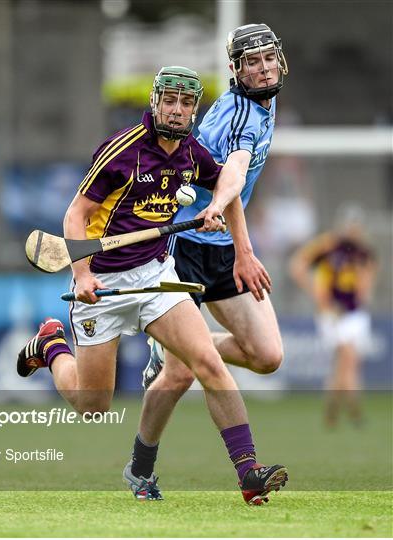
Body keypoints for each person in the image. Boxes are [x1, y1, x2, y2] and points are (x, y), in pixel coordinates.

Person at [16, 66, 288, 505]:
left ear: (193, 110)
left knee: (207, 363)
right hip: (102, 282)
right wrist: (82, 275)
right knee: (93, 406)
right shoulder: (122, 150)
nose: (176, 111)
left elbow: (227, 186)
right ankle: (50, 346)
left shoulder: (191, 155)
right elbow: (75, 216)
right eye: (169, 101)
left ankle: (248, 472)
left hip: (155, 274)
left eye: (185, 104)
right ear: (155, 102)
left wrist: (222, 214)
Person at [129, 24, 288, 503]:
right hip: (187, 245)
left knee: (267, 356)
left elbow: (232, 185)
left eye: (268, 59)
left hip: (222, 240)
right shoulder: (240, 117)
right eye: (251, 63)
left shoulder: (266, 99)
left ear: (280, 61)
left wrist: (239, 247)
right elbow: (234, 172)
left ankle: (170, 346)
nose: (262, 70)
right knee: (180, 375)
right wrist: (239, 239)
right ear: (237, 71)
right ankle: (141, 470)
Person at [289, 204, 377, 427]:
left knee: (348, 363)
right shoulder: (328, 246)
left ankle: (333, 409)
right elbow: (297, 265)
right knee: (347, 357)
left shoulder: (363, 251)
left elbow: (368, 278)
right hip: (332, 312)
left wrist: (363, 293)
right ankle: (354, 411)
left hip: (354, 313)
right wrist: (317, 295)